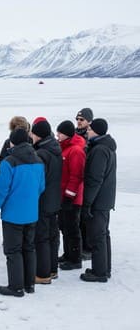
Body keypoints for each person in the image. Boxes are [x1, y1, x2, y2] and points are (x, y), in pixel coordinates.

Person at [0, 128, 45, 297]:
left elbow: (1, 189)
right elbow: (41, 187)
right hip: (31, 213)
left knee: (13, 251)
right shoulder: (38, 160)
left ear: (13, 142)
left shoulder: (9, 162)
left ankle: (16, 287)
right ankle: (29, 284)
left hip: (13, 215)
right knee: (28, 248)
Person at [80, 118, 116, 283]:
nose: (87, 131)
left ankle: (99, 272)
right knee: (103, 234)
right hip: (105, 199)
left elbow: (95, 179)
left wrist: (87, 202)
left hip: (98, 200)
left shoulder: (100, 150)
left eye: (90, 129)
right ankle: (104, 268)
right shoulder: (105, 147)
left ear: (98, 131)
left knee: (97, 235)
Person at [31, 118, 62, 284]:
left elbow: (38, 181)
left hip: (43, 200)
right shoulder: (55, 148)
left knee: (41, 237)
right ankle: (52, 269)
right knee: (52, 235)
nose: (31, 135)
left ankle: (42, 274)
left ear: (39, 135)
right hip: (54, 199)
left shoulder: (41, 154)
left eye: (33, 133)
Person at [56, 120, 86, 270]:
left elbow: (76, 176)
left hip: (72, 199)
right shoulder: (64, 148)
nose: (57, 135)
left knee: (72, 228)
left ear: (66, 134)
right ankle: (68, 254)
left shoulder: (75, 151)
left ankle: (75, 259)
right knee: (64, 227)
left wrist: (69, 196)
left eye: (59, 133)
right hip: (63, 196)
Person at [75, 107, 94, 259]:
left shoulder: (91, 139)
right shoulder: (75, 135)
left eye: (82, 120)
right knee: (77, 217)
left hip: (87, 182)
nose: (79, 122)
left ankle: (88, 247)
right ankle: (79, 246)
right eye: (78, 119)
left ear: (89, 121)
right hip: (77, 181)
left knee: (87, 216)